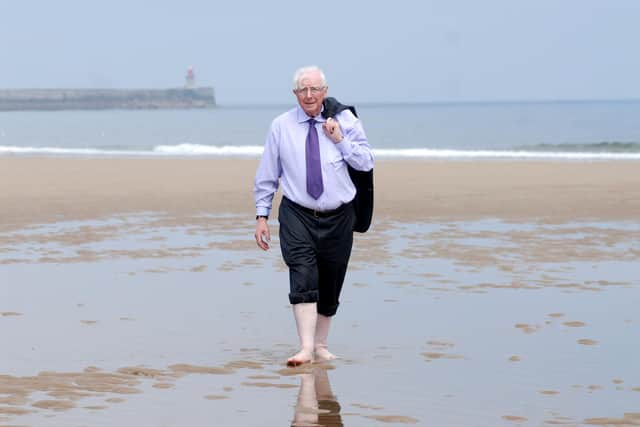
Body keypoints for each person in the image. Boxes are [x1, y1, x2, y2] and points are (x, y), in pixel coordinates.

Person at [253, 65, 374, 366]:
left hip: (339, 215)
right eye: (303, 90)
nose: (309, 95)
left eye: (314, 89)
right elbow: (268, 174)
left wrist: (340, 140)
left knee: (331, 280)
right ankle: (305, 348)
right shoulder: (281, 126)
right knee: (303, 273)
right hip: (297, 213)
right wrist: (261, 215)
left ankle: (320, 344)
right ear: (295, 93)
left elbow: (366, 162)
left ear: (325, 91)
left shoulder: (345, 120)